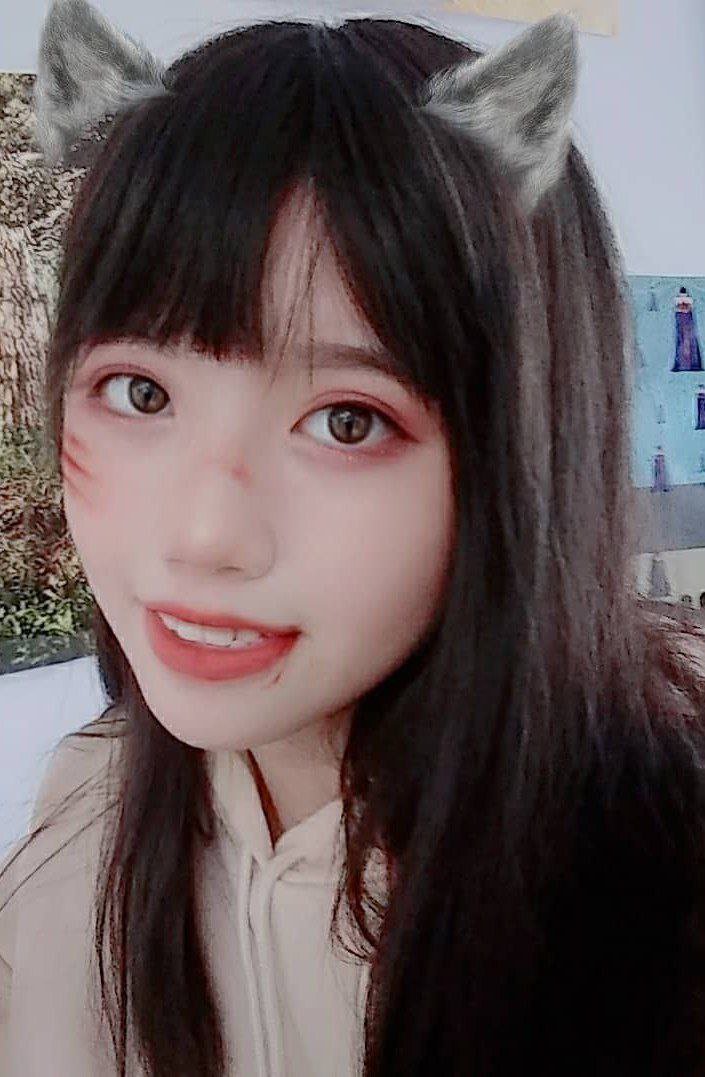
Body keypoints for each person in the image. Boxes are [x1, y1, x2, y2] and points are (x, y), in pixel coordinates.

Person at [3, 1, 705, 1074]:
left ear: (522, 446)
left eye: (346, 421)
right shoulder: (80, 826)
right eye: (139, 392)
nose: (204, 536)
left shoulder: (663, 880)